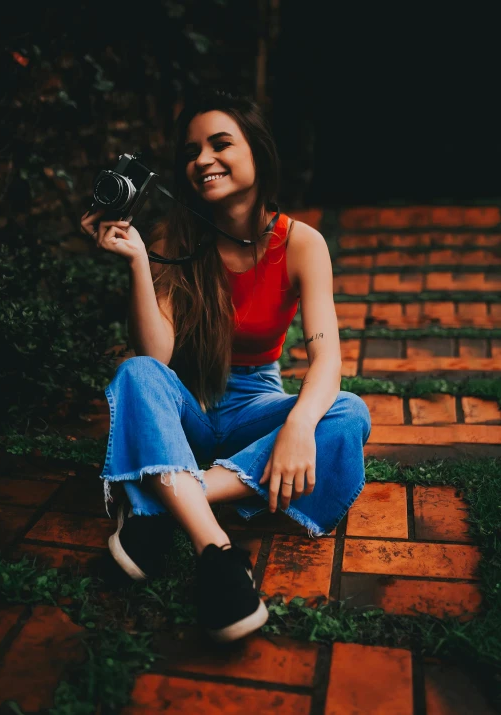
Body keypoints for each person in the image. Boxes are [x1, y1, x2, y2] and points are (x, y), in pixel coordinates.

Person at [80, 90, 371, 643]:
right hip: (186, 408)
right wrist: (141, 260)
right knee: (135, 374)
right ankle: (215, 550)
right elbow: (156, 359)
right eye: (191, 152)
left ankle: (160, 500)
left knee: (348, 412)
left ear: (258, 153)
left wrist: (298, 427)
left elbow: (327, 357)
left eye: (220, 143)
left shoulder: (302, 243)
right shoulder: (174, 239)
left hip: (253, 405)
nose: (203, 160)